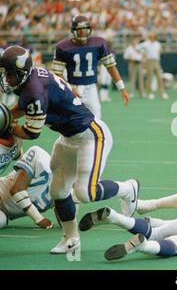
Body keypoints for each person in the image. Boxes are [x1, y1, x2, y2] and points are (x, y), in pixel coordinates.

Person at [0, 45, 139, 254]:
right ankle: (71, 238)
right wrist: (7, 116)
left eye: (11, 75)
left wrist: (7, 124)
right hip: (68, 137)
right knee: (58, 190)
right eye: (5, 74)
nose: (7, 79)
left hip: (91, 136)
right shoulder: (32, 79)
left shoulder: (34, 89)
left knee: (85, 192)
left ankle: (128, 188)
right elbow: (22, 106)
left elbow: (30, 132)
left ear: (22, 73)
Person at [51, 15, 129, 118]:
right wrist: (69, 87)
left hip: (91, 89)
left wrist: (122, 88)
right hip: (72, 88)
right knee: (69, 126)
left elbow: (111, 66)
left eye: (85, 29)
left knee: (96, 122)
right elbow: (57, 73)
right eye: (79, 29)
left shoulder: (99, 43)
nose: (83, 32)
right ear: (73, 30)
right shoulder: (63, 47)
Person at [0, 145, 54, 229]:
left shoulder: (67, 190)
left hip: (3, 214)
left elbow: (65, 219)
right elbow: (17, 190)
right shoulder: (40, 156)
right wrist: (39, 219)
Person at [137, 32, 168, 100]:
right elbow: (137, 47)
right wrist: (143, 54)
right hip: (149, 61)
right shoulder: (146, 43)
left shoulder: (158, 44)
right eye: (151, 36)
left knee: (159, 77)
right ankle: (150, 93)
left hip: (157, 61)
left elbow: (159, 51)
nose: (152, 37)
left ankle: (162, 93)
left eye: (153, 36)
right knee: (150, 78)